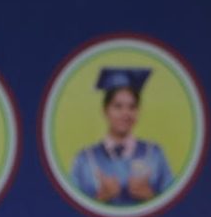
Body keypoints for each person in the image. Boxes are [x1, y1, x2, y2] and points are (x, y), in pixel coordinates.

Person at [70, 65, 174, 206]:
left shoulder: (154, 154)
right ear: (105, 110)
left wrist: (150, 196)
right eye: (118, 106)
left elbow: (176, 206)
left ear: (138, 111)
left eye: (132, 107)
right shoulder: (85, 159)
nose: (126, 114)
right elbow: (68, 211)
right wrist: (100, 199)